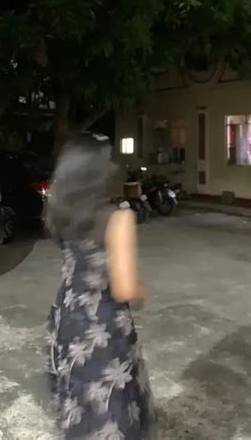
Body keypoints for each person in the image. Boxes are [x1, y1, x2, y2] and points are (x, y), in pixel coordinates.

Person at [45, 133, 157, 439]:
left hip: (67, 316)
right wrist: (141, 289)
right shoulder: (116, 219)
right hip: (103, 325)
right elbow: (124, 289)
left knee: (81, 399)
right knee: (110, 405)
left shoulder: (59, 211)